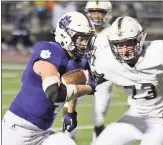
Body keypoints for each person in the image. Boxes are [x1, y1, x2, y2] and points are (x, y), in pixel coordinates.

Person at [2, 11, 98, 145]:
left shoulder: (78, 60)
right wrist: (89, 88)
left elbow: (72, 84)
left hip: (43, 132)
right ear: (65, 35)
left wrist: (71, 112)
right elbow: (54, 93)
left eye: (87, 39)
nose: (84, 43)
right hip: (18, 130)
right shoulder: (50, 52)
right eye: (80, 38)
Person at [92, 16, 163, 145]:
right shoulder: (106, 60)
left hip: (162, 119)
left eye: (128, 43)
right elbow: (91, 80)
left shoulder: (158, 52)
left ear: (140, 39)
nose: (124, 50)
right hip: (133, 117)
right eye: (119, 45)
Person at [62, 1, 113, 143]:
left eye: (99, 11)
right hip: (82, 76)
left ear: (107, 13)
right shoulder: (82, 29)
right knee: (67, 106)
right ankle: (68, 139)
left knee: (98, 117)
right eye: (92, 11)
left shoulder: (113, 33)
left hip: (104, 80)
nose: (95, 15)